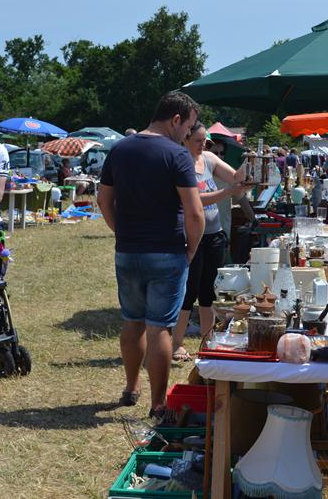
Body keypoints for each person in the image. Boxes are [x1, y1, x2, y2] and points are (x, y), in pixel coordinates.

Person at [97, 91, 205, 418]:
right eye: (187, 128)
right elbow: (195, 213)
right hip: (167, 252)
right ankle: (158, 404)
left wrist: (122, 233)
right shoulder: (177, 155)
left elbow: (103, 201)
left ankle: (131, 387)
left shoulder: (119, 149)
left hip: (128, 252)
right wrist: (191, 250)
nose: (187, 135)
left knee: (132, 323)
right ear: (175, 119)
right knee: (160, 328)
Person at [172, 124, 248, 362]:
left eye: (205, 140)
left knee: (209, 292)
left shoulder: (209, 158)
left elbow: (236, 177)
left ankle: (208, 341)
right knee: (188, 291)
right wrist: (227, 193)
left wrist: (252, 160)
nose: (203, 144)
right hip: (191, 237)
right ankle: (176, 344)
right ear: (185, 139)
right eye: (198, 140)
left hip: (214, 235)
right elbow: (193, 200)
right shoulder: (180, 162)